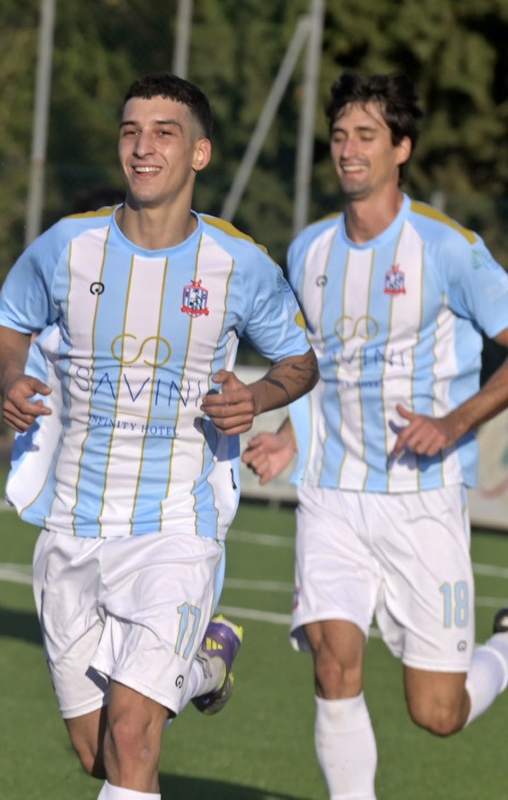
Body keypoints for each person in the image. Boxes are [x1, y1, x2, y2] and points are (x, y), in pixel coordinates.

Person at [0, 73, 319, 799]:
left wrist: (256, 397)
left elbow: (300, 360)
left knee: (133, 736)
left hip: (176, 529)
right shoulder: (67, 248)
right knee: (100, 756)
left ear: (199, 154)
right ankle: (206, 668)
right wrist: (11, 378)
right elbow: (6, 322)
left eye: (165, 133)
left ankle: (191, 664)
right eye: (132, 131)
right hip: (72, 528)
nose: (143, 147)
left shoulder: (237, 264)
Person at [242, 72, 508, 800]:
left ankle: (506, 645)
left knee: (437, 713)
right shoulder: (308, 252)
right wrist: (289, 439)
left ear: (402, 150)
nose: (348, 150)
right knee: (333, 661)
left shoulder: (448, 248)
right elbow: (320, 367)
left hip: (423, 504)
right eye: (339, 136)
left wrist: (453, 423)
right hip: (333, 497)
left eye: (366, 136)